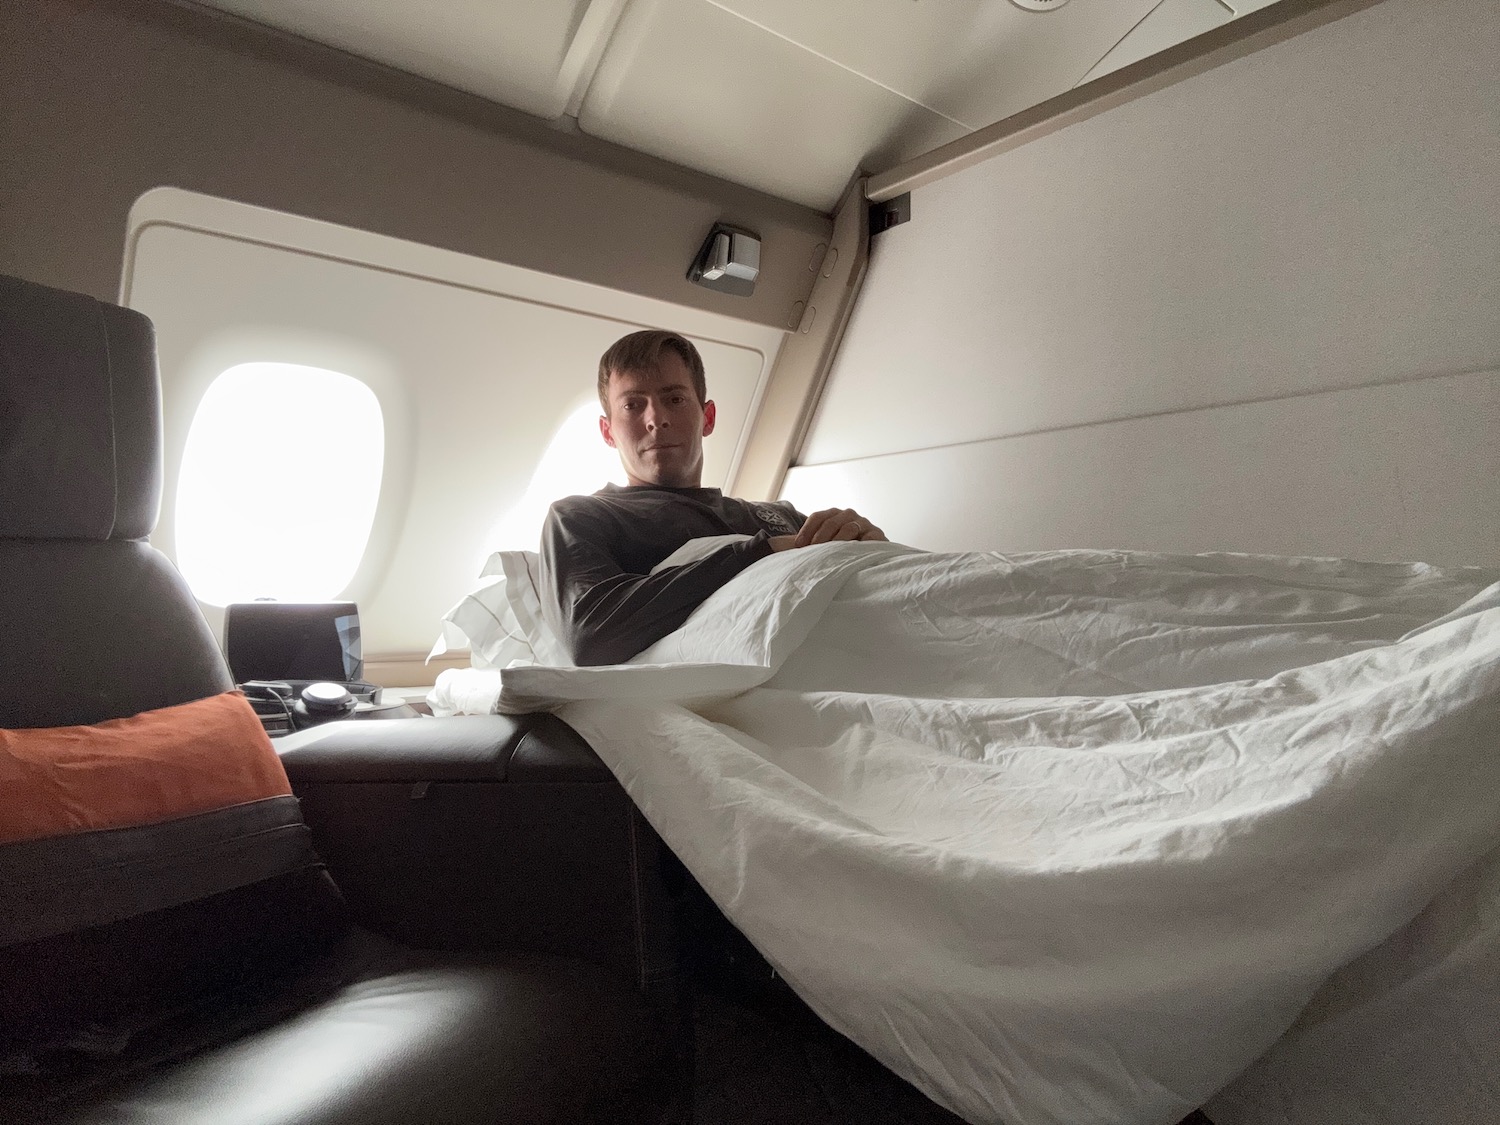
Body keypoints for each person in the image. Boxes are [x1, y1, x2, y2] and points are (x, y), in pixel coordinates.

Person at [540, 329, 886, 665]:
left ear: (707, 418)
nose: (656, 419)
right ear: (607, 431)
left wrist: (875, 547)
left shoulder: (781, 516)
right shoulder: (580, 517)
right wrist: (762, 554)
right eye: (632, 405)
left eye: (674, 399)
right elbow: (590, 634)